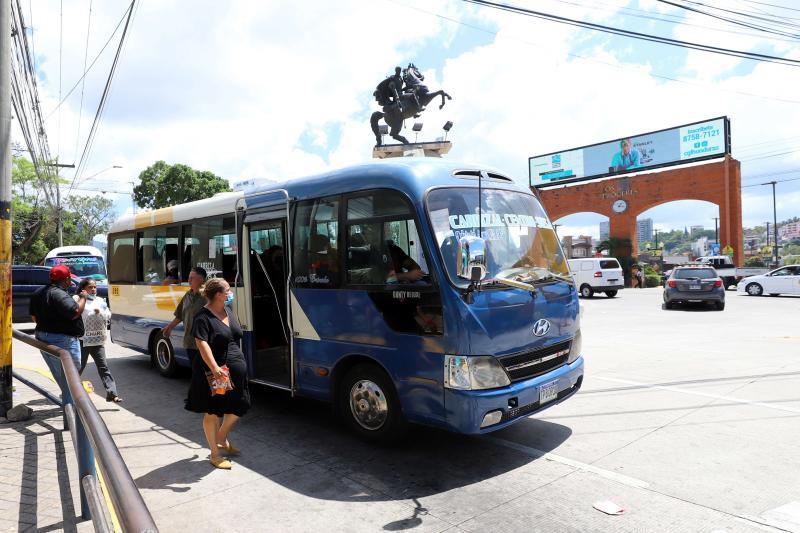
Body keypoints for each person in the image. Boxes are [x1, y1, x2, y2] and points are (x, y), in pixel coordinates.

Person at [185, 278, 251, 470]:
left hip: (235, 370)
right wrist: (215, 368)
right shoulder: (203, 317)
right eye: (228, 290)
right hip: (216, 372)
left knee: (241, 404)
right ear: (218, 294)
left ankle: (221, 436)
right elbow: (201, 343)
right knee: (213, 411)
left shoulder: (227, 311)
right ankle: (215, 453)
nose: (231, 293)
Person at [28, 265, 87, 406]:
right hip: (62, 339)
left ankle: (69, 402)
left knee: (61, 374)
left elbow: (34, 317)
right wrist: (83, 298)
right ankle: (72, 407)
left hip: (42, 336)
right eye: (69, 279)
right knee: (71, 373)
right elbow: (75, 312)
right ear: (66, 279)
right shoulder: (58, 294)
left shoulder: (38, 292)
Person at [74, 278, 120, 402]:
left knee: (103, 367)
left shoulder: (100, 301)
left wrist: (100, 312)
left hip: (98, 340)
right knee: (78, 368)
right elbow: (74, 313)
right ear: (83, 288)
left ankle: (112, 393)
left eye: (95, 287)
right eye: (90, 287)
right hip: (82, 340)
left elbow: (109, 315)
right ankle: (69, 392)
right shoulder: (77, 299)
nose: (93, 289)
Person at [162, 266, 207, 363]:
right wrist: (169, 327)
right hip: (190, 342)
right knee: (196, 372)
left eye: (192, 278)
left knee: (205, 374)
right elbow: (180, 315)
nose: (189, 280)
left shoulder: (207, 297)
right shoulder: (188, 295)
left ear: (201, 279)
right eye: (189, 277)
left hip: (205, 343)